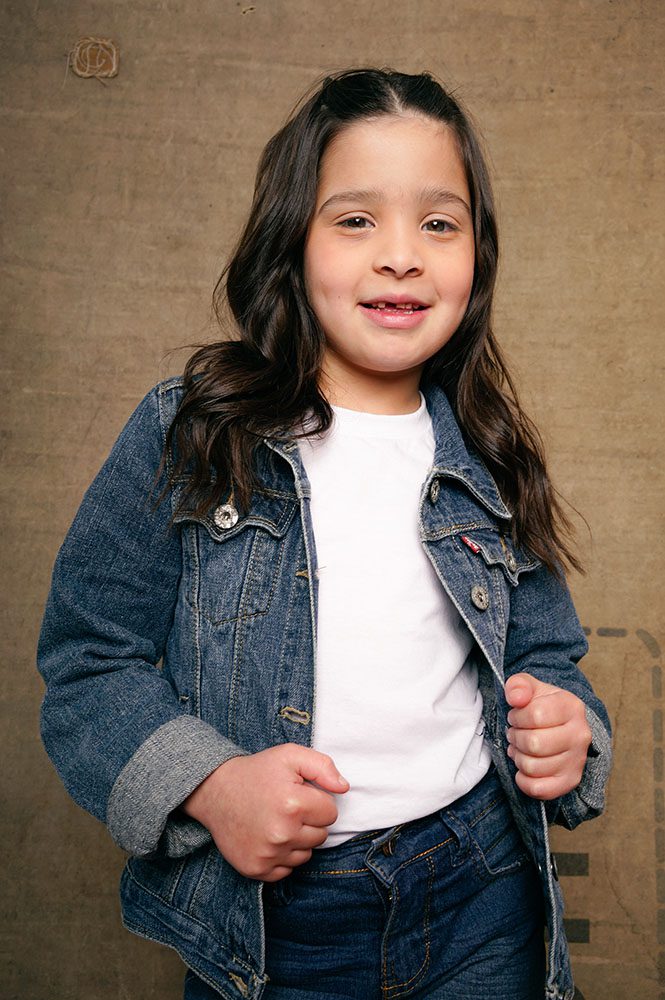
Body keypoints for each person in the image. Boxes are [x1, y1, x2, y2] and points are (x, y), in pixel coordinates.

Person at [38, 68, 611, 1000]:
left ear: (478, 253)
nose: (401, 256)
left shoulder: (488, 454)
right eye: (355, 220)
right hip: (279, 929)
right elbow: (87, 663)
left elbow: (546, 655)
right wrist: (211, 786)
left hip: (481, 891)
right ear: (290, 243)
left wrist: (568, 725)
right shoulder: (194, 433)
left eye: (439, 223)